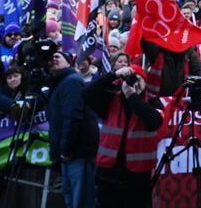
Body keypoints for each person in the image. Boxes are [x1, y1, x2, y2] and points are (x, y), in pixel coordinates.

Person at [82, 64, 164, 208]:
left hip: (137, 178)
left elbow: (154, 122)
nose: (135, 83)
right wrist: (114, 74)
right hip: (108, 175)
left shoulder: (152, 102)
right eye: (131, 79)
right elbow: (87, 93)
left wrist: (132, 96)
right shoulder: (111, 100)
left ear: (146, 82)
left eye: (139, 79)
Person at [46, 51, 99, 208]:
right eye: (51, 57)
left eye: (58, 56)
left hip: (77, 152)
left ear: (69, 62)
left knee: (80, 199)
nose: (53, 58)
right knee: (71, 198)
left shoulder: (71, 81)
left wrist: (66, 149)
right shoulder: (58, 84)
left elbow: (73, 116)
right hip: (69, 153)